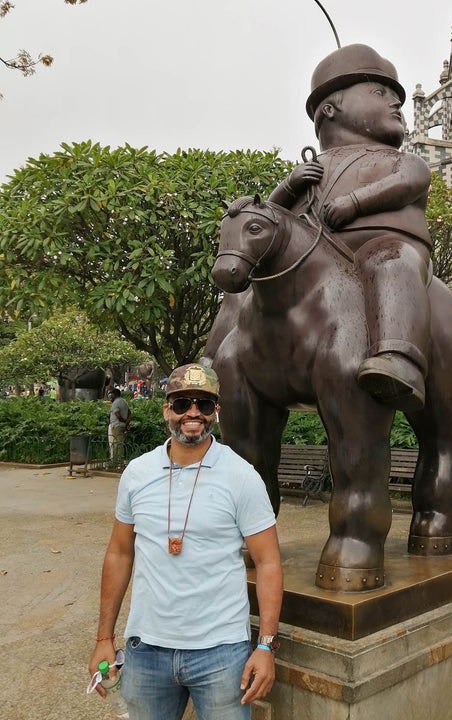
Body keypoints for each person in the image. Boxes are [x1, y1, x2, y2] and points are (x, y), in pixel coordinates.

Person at [88, 364, 283, 719]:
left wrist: (266, 647)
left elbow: (269, 562)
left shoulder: (242, 477)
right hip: (147, 649)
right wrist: (104, 637)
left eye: (204, 405)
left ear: (216, 413)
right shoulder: (137, 474)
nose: (193, 413)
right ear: (167, 410)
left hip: (222, 653)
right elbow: (119, 554)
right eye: (182, 404)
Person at [268, 44, 433, 413]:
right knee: (254, 280)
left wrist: (355, 203)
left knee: (388, 261)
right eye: (380, 93)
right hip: (316, 268)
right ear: (330, 109)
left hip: (384, 248)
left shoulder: (399, 159)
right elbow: (267, 220)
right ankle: (218, 355)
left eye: (398, 98)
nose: (396, 105)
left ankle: (397, 356)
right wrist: (288, 187)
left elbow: (412, 179)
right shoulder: (311, 170)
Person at [108, 388, 131, 466]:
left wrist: (124, 421)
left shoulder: (115, 403)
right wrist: (127, 423)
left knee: (117, 444)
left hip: (116, 425)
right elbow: (129, 412)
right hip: (122, 426)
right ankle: (117, 460)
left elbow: (117, 415)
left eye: (111, 394)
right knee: (118, 443)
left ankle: (117, 461)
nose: (110, 396)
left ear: (115, 394)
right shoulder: (124, 401)